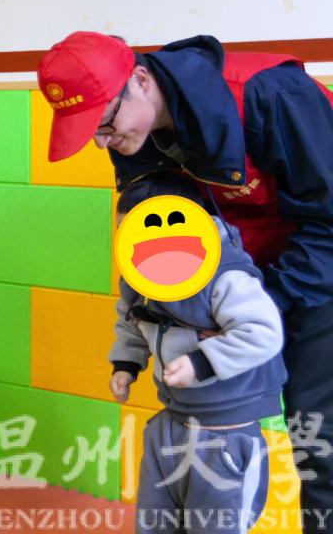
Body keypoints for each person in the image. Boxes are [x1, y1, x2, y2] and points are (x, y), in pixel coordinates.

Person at [39, 31, 333, 531]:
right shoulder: (133, 135)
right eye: (91, 132)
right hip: (232, 275)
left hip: (315, 266)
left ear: (139, 80)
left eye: (103, 123)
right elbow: (158, 230)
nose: (102, 141)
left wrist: (256, 304)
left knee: (318, 433)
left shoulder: (272, 95)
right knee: (203, 424)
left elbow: (328, 222)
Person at [109, 172, 286, 534]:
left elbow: (263, 331)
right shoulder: (140, 275)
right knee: (155, 521)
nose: (133, 248)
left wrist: (201, 362)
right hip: (172, 422)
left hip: (225, 432)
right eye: (125, 236)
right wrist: (126, 364)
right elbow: (132, 319)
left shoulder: (225, 276)